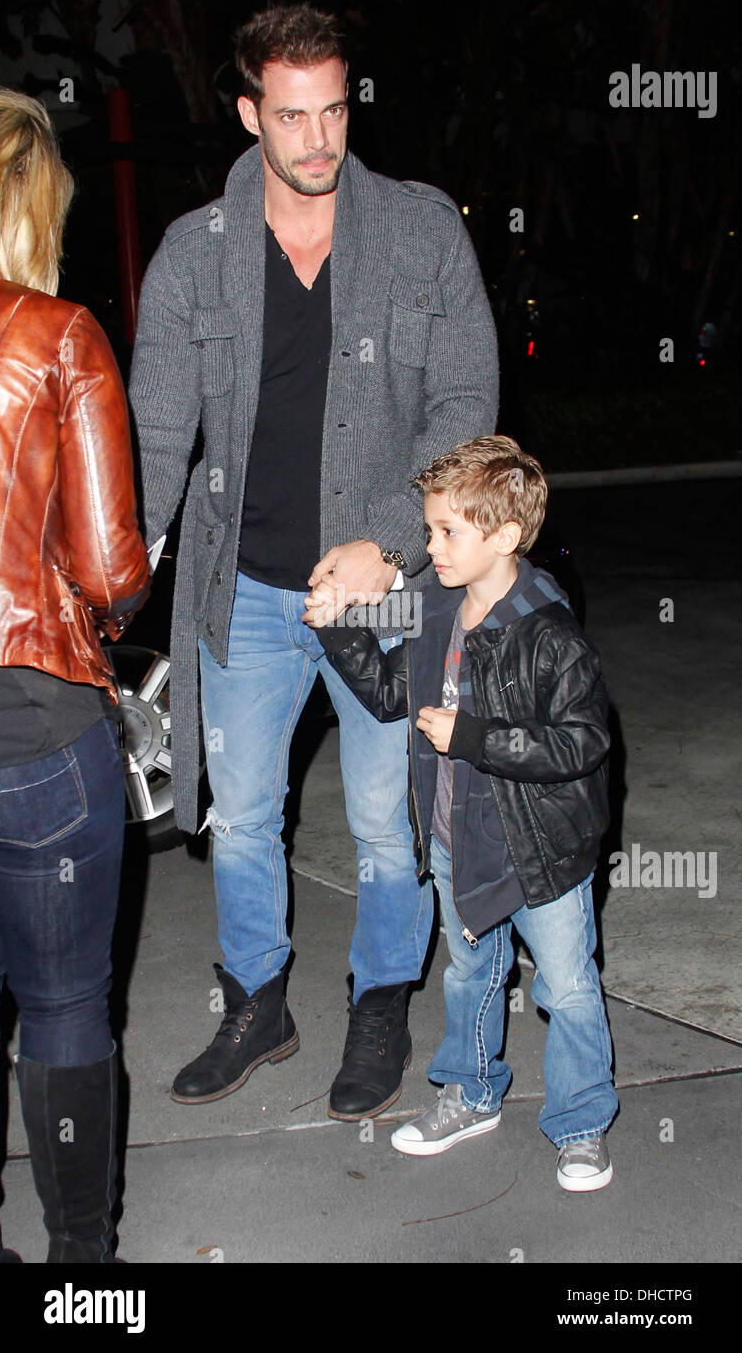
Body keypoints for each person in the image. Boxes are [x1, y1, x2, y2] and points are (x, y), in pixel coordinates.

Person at [129, 3, 499, 1120]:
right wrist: (118, 560)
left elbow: (465, 404)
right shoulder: (196, 253)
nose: (317, 138)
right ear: (249, 113)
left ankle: (381, 998)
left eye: (333, 108)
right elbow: (156, 432)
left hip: (381, 594)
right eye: (291, 115)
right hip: (242, 585)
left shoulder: (422, 232)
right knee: (241, 815)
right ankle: (257, 1001)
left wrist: (386, 540)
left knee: (386, 820)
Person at [306, 435, 618, 1189]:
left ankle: (579, 1126)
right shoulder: (434, 608)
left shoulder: (548, 630)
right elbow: (390, 693)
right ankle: (469, 1094)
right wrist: (338, 625)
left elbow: (582, 742)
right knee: (470, 972)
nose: (430, 547)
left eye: (448, 532)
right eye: (429, 528)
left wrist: (474, 737)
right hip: (455, 837)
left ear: (506, 537)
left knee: (567, 986)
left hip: (539, 848)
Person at [0, 88, 150, 1261]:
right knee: (59, 1009)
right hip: (38, 726)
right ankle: (80, 1274)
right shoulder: (57, 336)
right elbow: (109, 572)